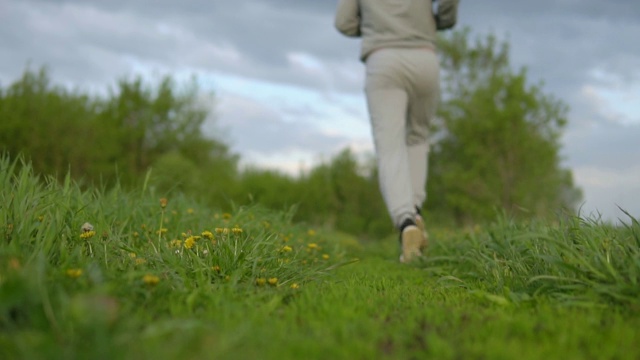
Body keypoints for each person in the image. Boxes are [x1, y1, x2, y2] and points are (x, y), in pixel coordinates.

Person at [335, 0, 440, 262]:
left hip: (383, 58)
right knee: (418, 139)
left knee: (389, 147)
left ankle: (406, 223)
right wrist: (440, 20)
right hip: (424, 56)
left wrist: (375, 27)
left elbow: (343, 22)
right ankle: (416, 212)